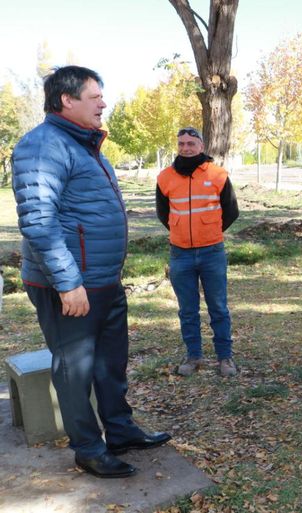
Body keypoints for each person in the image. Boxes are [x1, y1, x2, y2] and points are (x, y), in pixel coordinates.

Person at [12, 66, 170, 478]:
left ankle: (120, 431)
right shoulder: (43, 146)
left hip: (103, 279)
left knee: (111, 362)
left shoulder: (86, 146)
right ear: (67, 99)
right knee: (75, 369)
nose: (103, 103)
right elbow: (39, 221)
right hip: (70, 284)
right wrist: (68, 284)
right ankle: (88, 449)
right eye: (95, 95)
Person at [156, 127, 239, 377]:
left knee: (218, 307)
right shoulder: (165, 177)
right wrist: (181, 232)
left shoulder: (218, 175)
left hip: (212, 252)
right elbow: (164, 214)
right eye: (181, 143)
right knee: (187, 310)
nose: (185, 148)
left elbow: (231, 211)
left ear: (201, 146)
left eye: (191, 143)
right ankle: (194, 356)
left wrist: (209, 230)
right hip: (180, 254)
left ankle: (225, 357)